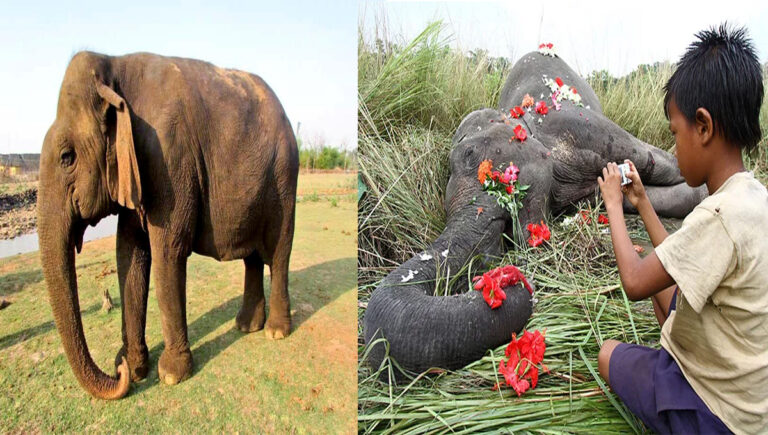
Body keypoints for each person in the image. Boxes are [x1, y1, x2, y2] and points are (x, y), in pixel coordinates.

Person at [595, 24, 767, 434]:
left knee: (606, 354)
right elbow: (678, 259)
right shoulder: (752, 196)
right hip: (749, 396)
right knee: (664, 284)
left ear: (703, 126)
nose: (673, 148)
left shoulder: (718, 215)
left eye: (675, 133)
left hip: (720, 415)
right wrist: (642, 201)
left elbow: (635, 282)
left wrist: (615, 205)